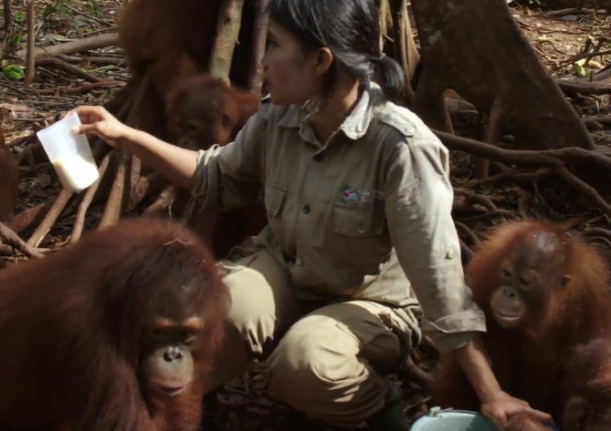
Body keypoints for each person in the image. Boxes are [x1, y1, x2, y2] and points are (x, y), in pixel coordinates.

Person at [69, 0, 554, 429]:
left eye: (275, 45)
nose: (261, 60)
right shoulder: (280, 116)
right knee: (209, 310)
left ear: (321, 61)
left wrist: (491, 394)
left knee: (306, 364)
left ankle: (378, 407)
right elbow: (214, 173)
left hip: (369, 300)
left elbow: (439, 279)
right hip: (286, 271)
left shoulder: (400, 148)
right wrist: (125, 135)